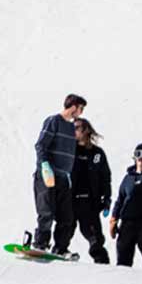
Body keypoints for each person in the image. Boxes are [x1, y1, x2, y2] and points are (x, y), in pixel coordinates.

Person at [30, 94, 86, 255]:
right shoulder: (53, 121)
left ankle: (60, 248)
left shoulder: (71, 128)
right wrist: (44, 165)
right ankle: (41, 243)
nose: (81, 113)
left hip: (63, 178)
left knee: (66, 217)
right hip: (48, 175)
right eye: (80, 108)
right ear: (74, 106)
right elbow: (40, 145)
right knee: (47, 211)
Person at [70, 117, 114, 264]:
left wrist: (107, 199)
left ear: (86, 130)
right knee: (65, 229)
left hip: (90, 203)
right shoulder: (70, 150)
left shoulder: (97, 154)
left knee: (95, 237)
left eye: (77, 128)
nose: (74, 131)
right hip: (70, 200)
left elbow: (106, 177)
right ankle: (59, 250)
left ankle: (102, 263)